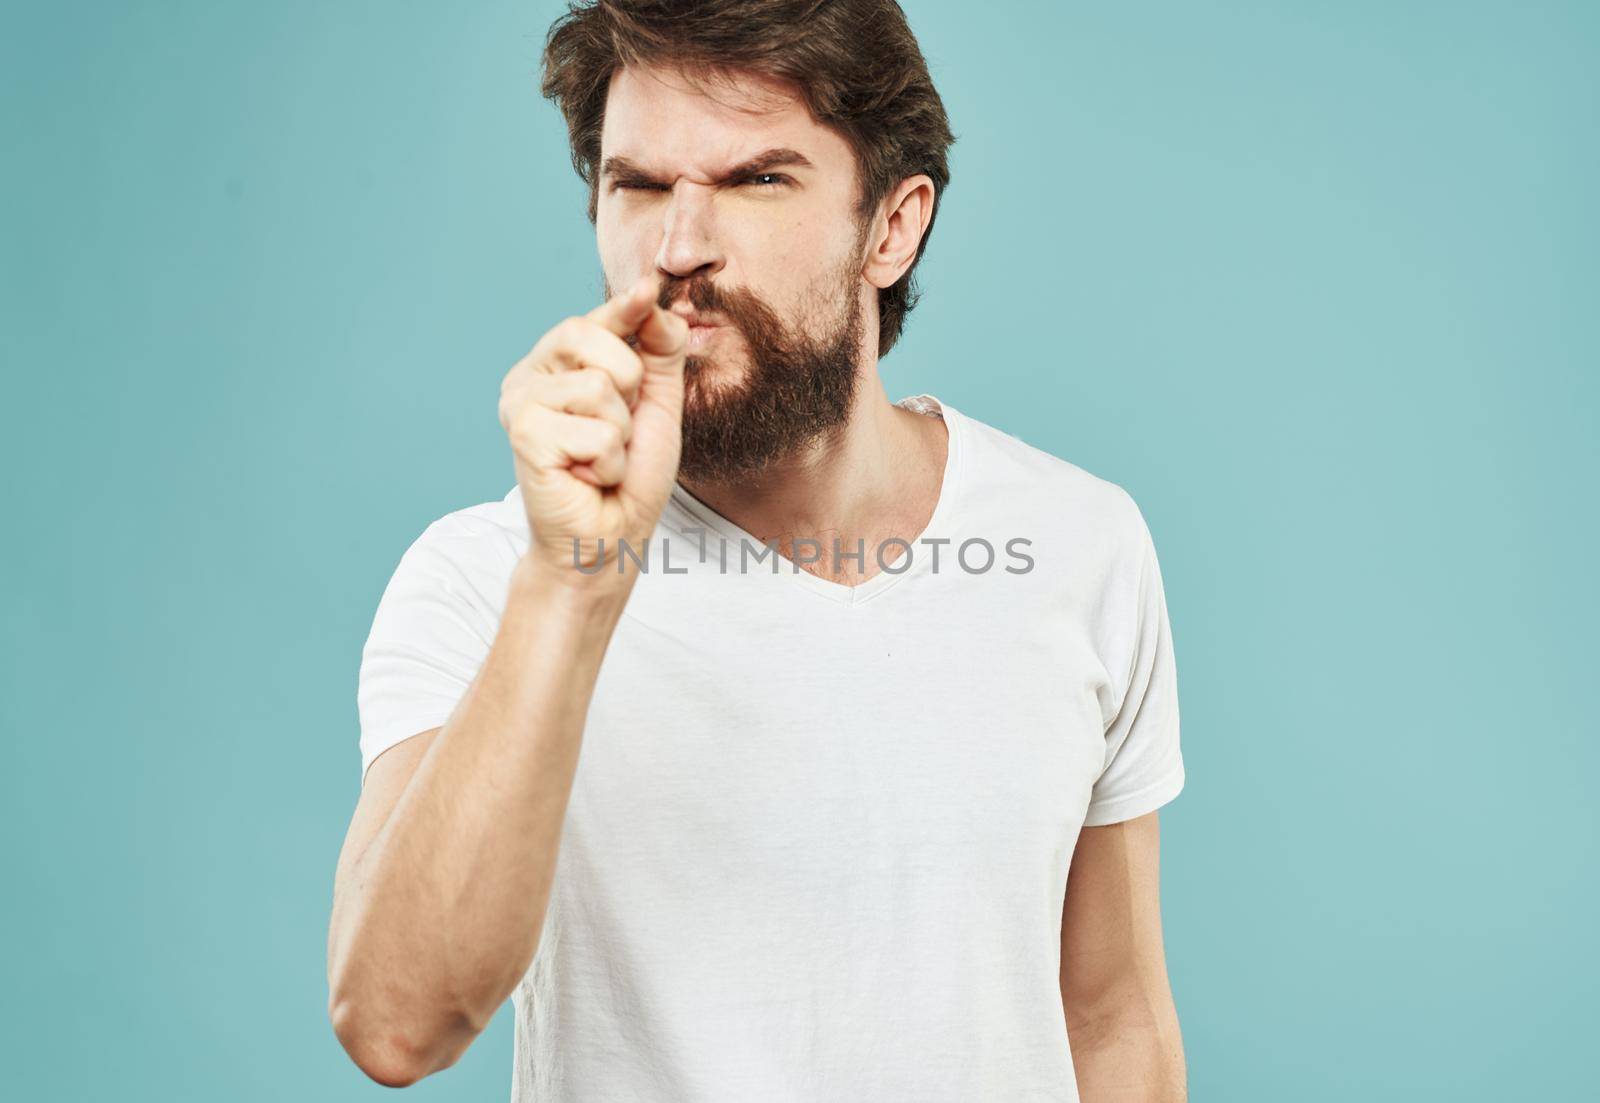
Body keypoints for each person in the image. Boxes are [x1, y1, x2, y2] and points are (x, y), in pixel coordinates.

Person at [326, 2, 1188, 1099]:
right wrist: (571, 584)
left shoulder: (1077, 541)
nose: (679, 249)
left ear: (892, 226)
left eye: (757, 180)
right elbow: (395, 1023)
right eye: (637, 185)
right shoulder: (485, 577)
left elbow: (1109, 1015)